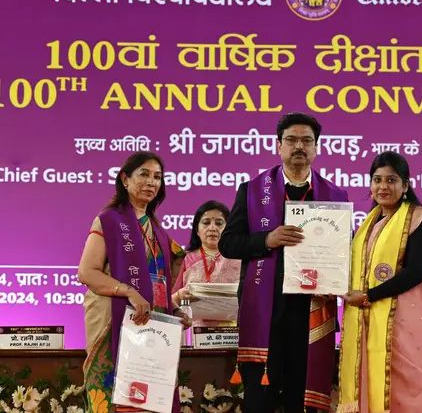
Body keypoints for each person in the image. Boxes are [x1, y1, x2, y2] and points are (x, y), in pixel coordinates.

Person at [219, 112, 349, 413]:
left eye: (307, 140)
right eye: (291, 140)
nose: (299, 146)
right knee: (260, 398)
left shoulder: (334, 196)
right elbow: (228, 244)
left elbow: (345, 251)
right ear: (279, 146)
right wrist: (267, 239)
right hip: (265, 310)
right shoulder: (252, 190)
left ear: (317, 148)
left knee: (300, 399)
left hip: (311, 311)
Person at [337, 151, 422, 413]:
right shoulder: (369, 225)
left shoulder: (420, 220)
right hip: (369, 319)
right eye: (377, 180)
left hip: (405, 322)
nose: (383, 187)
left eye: (392, 180)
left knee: (408, 388)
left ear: (405, 185)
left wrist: (367, 295)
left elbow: (416, 271)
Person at [78, 151, 192, 413]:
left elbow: (159, 282)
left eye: (157, 177)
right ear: (125, 180)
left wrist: (173, 311)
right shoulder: (108, 221)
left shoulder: (159, 231)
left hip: (151, 330)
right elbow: (87, 272)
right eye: (144, 174)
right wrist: (130, 292)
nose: (151, 182)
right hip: (113, 324)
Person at [172, 200, 241, 326]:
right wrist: (179, 295)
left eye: (219, 223)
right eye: (206, 223)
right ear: (197, 230)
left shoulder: (239, 259)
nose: (212, 228)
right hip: (193, 332)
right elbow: (169, 301)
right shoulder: (184, 259)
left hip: (234, 333)